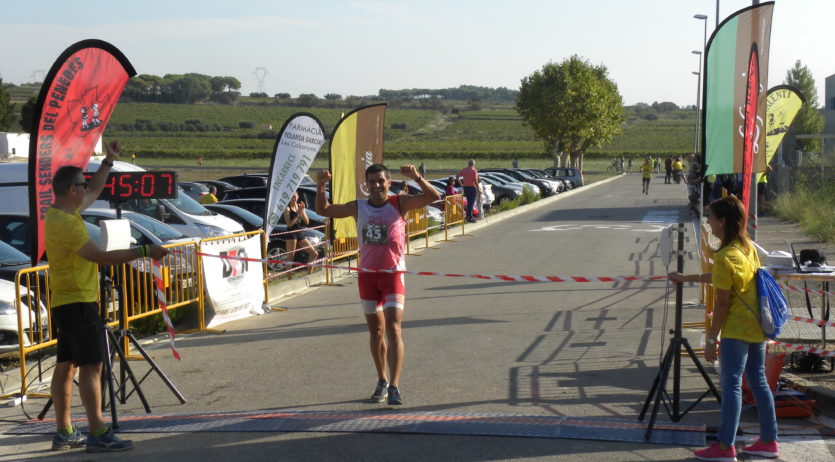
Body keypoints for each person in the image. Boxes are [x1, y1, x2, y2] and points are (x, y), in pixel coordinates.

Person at [46, 141, 168, 453]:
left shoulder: (60, 212)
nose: (86, 190)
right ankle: (98, 431)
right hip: (78, 303)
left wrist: (108, 161)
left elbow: (95, 191)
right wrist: (144, 250)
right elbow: (99, 257)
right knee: (92, 366)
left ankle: (64, 430)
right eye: (81, 186)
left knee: (67, 365)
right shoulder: (69, 224)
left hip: (66, 302)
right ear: (72, 189)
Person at [315, 164, 440, 405]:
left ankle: (394, 385)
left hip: (392, 274)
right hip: (367, 277)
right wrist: (321, 185)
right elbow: (325, 210)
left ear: (389, 182)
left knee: (393, 329)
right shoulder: (358, 207)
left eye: (380, 181)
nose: (376, 186)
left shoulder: (399, 203)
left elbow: (433, 197)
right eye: (371, 182)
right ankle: (381, 380)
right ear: (366, 184)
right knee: (376, 332)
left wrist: (417, 177)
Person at [668, 196, 778, 461]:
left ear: (722, 221)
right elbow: (721, 279)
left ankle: (725, 446)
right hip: (757, 326)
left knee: (731, 386)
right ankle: (769, 441)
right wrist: (687, 278)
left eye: (711, 217)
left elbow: (723, 301)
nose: (707, 222)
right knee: (759, 382)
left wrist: (710, 338)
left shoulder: (725, 255)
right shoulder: (746, 247)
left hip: (736, 330)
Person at [282, 192, 317, 269]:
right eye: (291, 197)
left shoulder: (300, 207)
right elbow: (289, 224)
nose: (293, 199)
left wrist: (302, 211)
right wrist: (297, 213)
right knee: (290, 258)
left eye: (295, 197)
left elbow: (307, 222)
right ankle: (289, 279)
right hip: (291, 234)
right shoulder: (287, 208)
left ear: (297, 197)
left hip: (300, 232)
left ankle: (309, 274)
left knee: (314, 253)